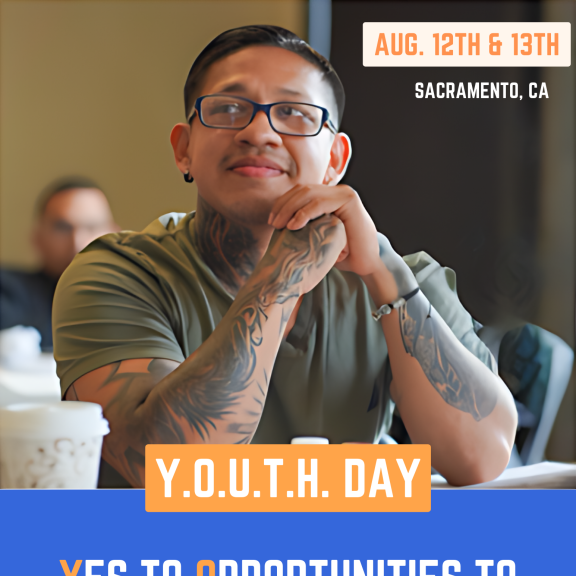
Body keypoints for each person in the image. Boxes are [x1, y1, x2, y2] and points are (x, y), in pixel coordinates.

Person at [53, 26, 517, 488]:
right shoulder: (116, 274)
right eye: (229, 108)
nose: (259, 132)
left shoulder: (404, 277)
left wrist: (383, 270)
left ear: (335, 159)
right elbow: (162, 471)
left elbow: (479, 460)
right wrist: (281, 277)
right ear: (184, 149)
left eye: (294, 113)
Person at [0, 177, 119, 351]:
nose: (78, 243)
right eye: (62, 227)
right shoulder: (7, 291)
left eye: (92, 226)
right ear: (37, 237)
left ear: (116, 237)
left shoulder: (140, 300)